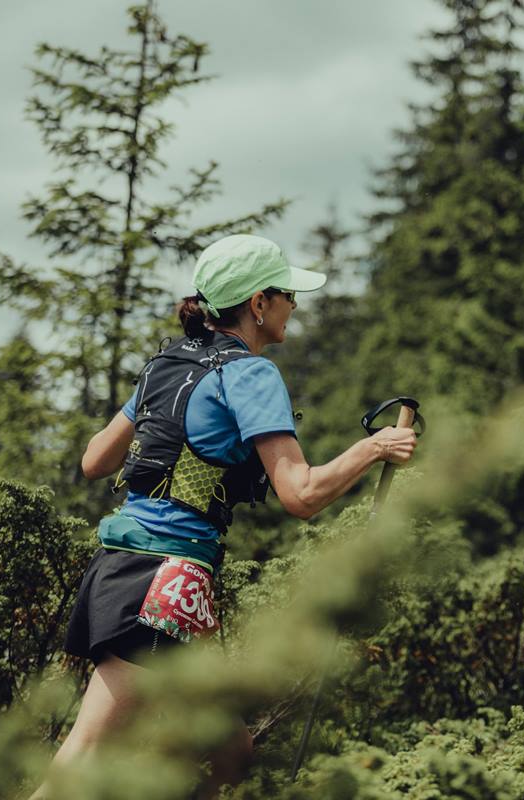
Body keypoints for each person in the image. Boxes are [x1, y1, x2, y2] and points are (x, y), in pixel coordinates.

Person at [34, 234, 417, 798]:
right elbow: (301, 494)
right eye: (287, 292)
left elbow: (95, 461)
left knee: (232, 754)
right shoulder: (251, 375)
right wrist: (374, 448)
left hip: (124, 567)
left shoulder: (163, 364)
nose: (295, 304)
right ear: (258, 304)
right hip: (162, 579)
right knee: (83, 760)